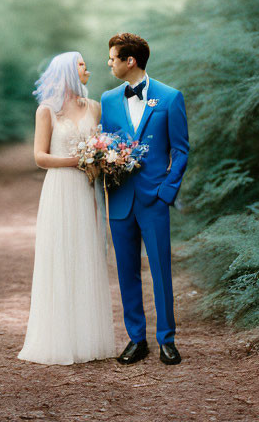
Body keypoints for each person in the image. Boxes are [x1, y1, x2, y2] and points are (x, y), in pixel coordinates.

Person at [18, 51, 116, 365]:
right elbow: (40, 157)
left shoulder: (95, 108)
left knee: (87, 254)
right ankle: (57, 339)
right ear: (69, 73)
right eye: (82, 65)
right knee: (60, 256)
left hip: (87, 190)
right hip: (60, 188)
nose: (88, 68)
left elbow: (104, 145)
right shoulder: (47, 111)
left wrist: (101, 162)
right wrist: (78, 161)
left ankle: (88, 338)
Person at [100, 33, 188, 366]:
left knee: (161, 271)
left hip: (154, 199)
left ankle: (167, 339)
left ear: (129, 61)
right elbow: (104, 144)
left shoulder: (170, 97)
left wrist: (167, 192)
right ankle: (137, 339)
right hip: (120, 198)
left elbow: (181, 150)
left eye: (112, 58)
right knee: (126, 272)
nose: (109, 63)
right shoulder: (108, 100)